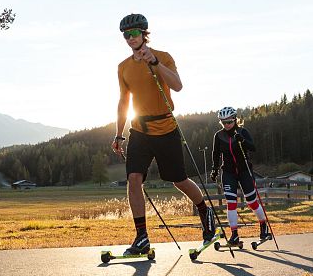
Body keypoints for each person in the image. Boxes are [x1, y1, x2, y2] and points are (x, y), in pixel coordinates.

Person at [111, 13, 216, 255]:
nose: (129, 38)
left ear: (144, 34)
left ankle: (205, 211)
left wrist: (155, 63)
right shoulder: (123, 67)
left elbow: (178, 86)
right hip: (139, 130)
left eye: (134, 33)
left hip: (166, 129)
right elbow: (123, 102)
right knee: (134, 179)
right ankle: (141, 237)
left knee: (178, 180)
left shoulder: (164, 57)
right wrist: (119, 134)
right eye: (125, 35)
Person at [210, 107, 270, 243]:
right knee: (231, 203)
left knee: (251, 202)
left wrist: (242, 140)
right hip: (228, 172)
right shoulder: (218, 136)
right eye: (223, 123)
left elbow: (253, 148)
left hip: (244, 171)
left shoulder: (242, 131)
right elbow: (215, 154)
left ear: (235, 119)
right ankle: (234, 234)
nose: (226, 125)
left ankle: (263, 226)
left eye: (229, 122)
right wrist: (214, 169)